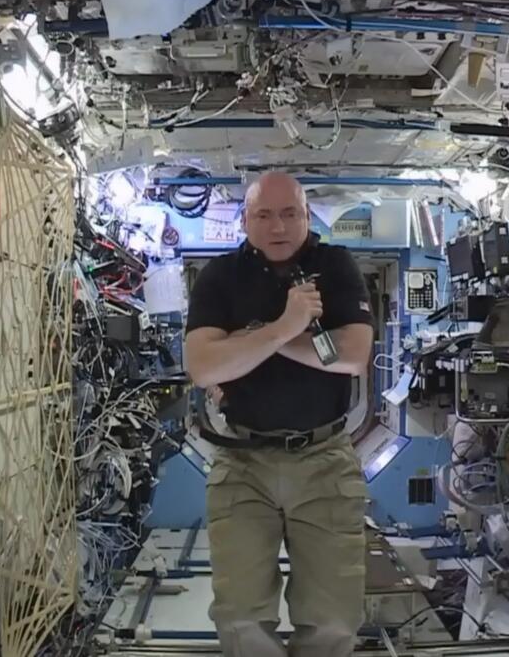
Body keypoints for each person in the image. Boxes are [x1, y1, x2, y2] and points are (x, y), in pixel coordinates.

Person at [183, 171, 375, 657]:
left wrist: (254, 338)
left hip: (324, 459)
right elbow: (204, 367)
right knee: (242, 615)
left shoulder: (335, 267)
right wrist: (287, 325)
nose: (278, 226)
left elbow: (352, 354)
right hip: (242, 463)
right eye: (264, 215)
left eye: (290, 213)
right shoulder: (220, 278)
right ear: (245, 220)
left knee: (334, 616)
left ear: (307, 217)